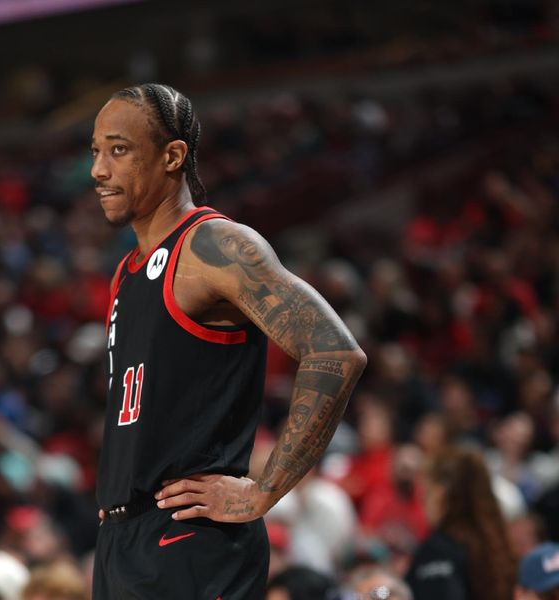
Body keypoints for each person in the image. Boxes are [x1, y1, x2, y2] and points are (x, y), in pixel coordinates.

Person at [90, 82, 366, 599]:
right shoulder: (125, 274)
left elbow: (335, 351)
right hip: (123, 542)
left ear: (172, 156)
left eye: (118, 150)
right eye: (97, 152)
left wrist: (264, 491)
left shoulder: (213, 245)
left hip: (189, 539)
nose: (98, 170)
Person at [405, 445, 516, 600]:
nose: (423, 505)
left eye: (425, 495)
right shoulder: (501, 546)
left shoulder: (439, 549)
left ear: (440, 494)